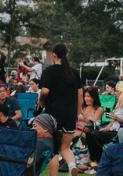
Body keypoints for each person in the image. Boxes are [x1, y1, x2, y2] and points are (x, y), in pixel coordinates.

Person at [38, 43, 82, 174]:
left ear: (54, 55)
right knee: (65, 147)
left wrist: (41, 101)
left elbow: (45, 91)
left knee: (53, 149)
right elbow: (80, 94)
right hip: (70, 116)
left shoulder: (49, 71)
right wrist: (78, 113)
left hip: (53, 114)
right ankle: (72, 165)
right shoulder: (73, 73)